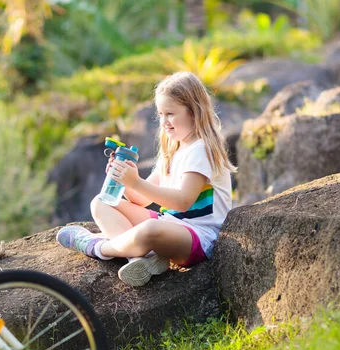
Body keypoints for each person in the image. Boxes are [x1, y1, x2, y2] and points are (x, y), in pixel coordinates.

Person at [57, 72, 236, 287]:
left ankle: (97, 247)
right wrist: (124, 178)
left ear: (194, 112)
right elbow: (142, 199)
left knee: (151, 228)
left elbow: (182, 201)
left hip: (199, 237)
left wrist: (135, 182)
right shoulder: (175, 147)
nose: (164, 122)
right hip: (169, 224)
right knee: (101, 202)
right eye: (160, 114)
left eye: (170, 114)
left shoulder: (202, 150)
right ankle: (139, 260)